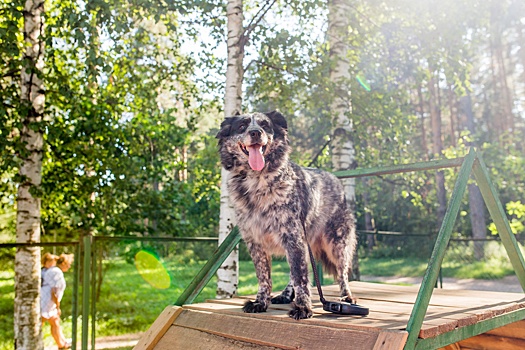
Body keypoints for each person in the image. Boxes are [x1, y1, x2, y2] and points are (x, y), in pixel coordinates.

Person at [41, 253, 74, 350]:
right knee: (41, 322)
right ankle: (34, 343)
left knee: (55, 322)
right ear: (63, 263)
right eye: (69, 264)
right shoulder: (56, 272)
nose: (69, 266)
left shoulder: (53, 270)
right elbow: (54, 291)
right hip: (47, 301)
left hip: (47, 301)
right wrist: (57, 306)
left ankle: (61, 344)